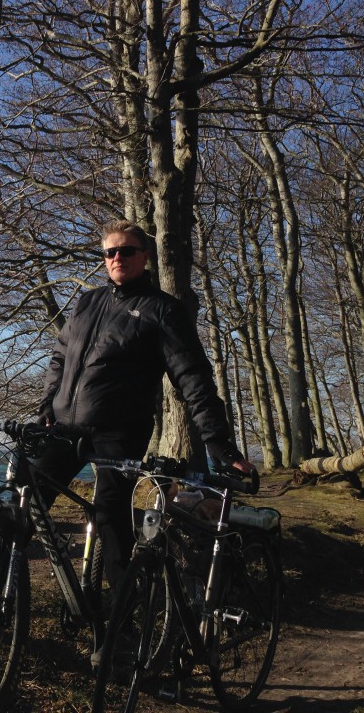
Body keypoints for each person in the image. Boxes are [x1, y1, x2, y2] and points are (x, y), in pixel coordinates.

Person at [35, 219, 255, 587]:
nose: (117, 257)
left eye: (126, 251)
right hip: (64, 426)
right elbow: (60, 358)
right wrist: (46, 406)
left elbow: (193, 378)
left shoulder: (162, 310)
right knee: (27, 497)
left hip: (119, 432)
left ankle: (125, 611)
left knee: (110, 514)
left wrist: (218, 443)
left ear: (144, 257)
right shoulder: (88, 302)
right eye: (110, 252)